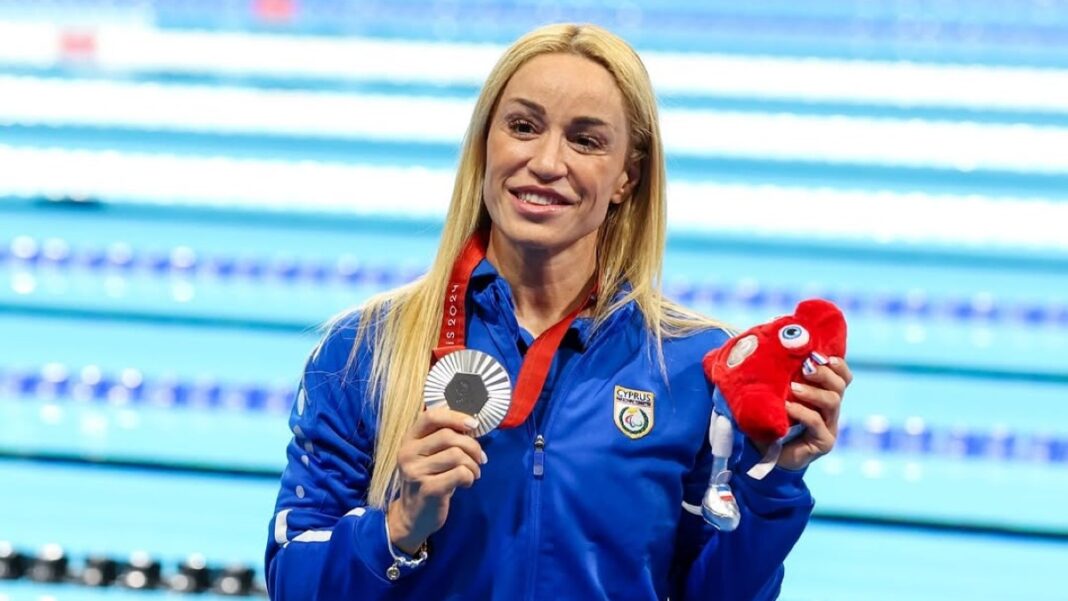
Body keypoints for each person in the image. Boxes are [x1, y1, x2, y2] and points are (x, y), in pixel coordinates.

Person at [264, 22, 852, 601]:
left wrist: (776, 478)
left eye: (586, 140)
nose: (547, 162)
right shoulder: (366, 348)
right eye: (523, 127)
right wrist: (395, 529)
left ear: (626, 177)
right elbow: (291, 579)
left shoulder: (692, 367)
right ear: (486, 143)